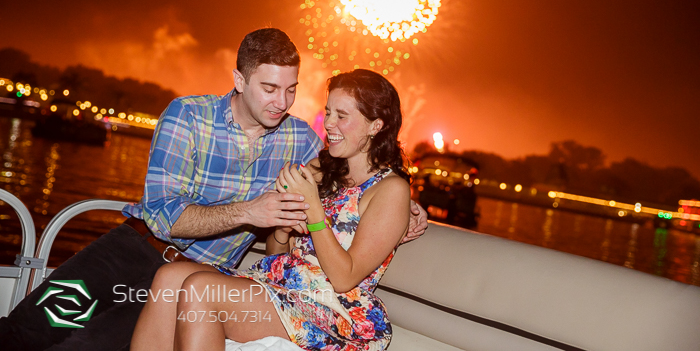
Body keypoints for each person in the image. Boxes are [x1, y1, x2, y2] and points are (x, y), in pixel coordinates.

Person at [0, 28, 428, 351]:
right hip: (132, 250)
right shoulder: (188, 115)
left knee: (85, 346)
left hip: (203, 273)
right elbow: (164, 215)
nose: (282, 102)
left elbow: (364, 171)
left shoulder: (302, 140)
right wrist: (250, 213)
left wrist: (411, 207)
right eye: (269, 88)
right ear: (240, 80)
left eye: (292, 90)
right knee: (27, 329)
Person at [131, 69, 411, 351]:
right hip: (281, 284)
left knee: (201, 287)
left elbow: (344, 278)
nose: (328, 124)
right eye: (328, 112)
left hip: (333, 308)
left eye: (342, 116)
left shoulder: (390, 190)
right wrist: (284, 227)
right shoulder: (319, 169)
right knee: (169, 279)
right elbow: (276, 254)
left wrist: (314, 212)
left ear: (375, 126)